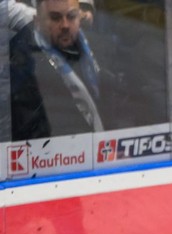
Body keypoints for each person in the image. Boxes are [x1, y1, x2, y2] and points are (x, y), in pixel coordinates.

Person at [8, 0, 107, 140]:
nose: (65, 25)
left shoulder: (98, 50)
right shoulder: (23, 69)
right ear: (37, 21)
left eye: (71, 16)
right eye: (55, 18)